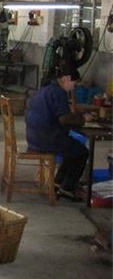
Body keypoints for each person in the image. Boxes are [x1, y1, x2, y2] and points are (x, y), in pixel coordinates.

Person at [25, 62, 94, 201]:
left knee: (72, 149)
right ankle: (67, 188)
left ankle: (57, 184)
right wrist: (83, 119)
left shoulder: (46, 89)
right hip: (46, 139)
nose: (73, 87)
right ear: (66, 78)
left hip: (34, 137)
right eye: (73, 83)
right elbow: (64, 119)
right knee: (82, 152)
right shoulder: (58, 92)